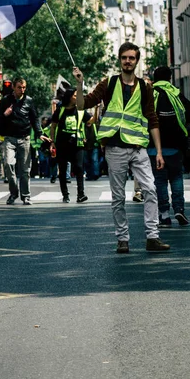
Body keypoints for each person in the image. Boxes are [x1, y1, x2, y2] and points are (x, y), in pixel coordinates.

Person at [73, 42, 170, 253]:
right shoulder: (108, 83)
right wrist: (80, 85)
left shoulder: (146, 86)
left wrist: (159, 151)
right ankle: (122, 239)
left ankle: (152, 237)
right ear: (120, 60)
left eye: (132, 58)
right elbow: (82, 104)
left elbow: (152, 119)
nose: (128, 61)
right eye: (124, 58)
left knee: (150, 190)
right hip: (115, 148)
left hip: (138, 147)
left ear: (136, 60)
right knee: (118, 197)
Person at [149, 65, 190, 226]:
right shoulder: (176, 94)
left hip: (154, 146)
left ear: (155, 78)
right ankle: (179, 209)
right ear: (169, 78)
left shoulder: (150, 94)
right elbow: (188, 117)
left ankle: (164, 214)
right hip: (176, 146)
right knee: (176, 177)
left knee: (159, 181)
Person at [0, 77, 48, 205]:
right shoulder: (6, 101)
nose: (22, 90)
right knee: (8, 164)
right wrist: (5, 114)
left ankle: (26, 196)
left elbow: (34, 119)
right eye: (19, 87)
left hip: (25, 138)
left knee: (25, 170)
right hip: (10, 139)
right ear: (13, 87)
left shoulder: (29, 101)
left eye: (24, 87)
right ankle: (13, 193)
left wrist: (39, 133)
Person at [50, 88, 91, 203]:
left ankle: (81, 194)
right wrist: (52, 142)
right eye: (74, 96)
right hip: (62, 144)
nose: (77, 98)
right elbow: (53, 126)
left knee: (79, 168)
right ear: (69, 97)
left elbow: (90, 121)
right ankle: (65, 195)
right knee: (62, 170)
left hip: (77, 143)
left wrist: (97, 110)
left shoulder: (80, 110)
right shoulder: (60, 110)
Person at [84, 105, 101, 181]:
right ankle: (89, 175)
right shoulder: (82, 126)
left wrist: (96, 108)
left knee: (94, 160)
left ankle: (96, 174)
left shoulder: (95, 125)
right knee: (86, 161)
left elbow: (96, 117)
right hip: (85, 146)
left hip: (94, 145)